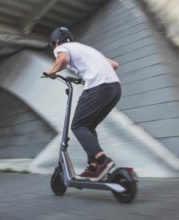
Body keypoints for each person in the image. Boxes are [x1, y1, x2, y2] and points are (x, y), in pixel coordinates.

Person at [45, 27, 121, 181]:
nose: (55, 48)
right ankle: (93, 167)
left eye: (54, 45)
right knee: (88, 127)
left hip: (98, 87)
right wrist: (87, 75)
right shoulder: (86, 49)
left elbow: (63, 60)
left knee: (78, 126)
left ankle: (102, 160)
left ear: (56, 42)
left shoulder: (62, 48)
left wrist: (52, 71)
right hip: (115, 88)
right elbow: (114, 65)